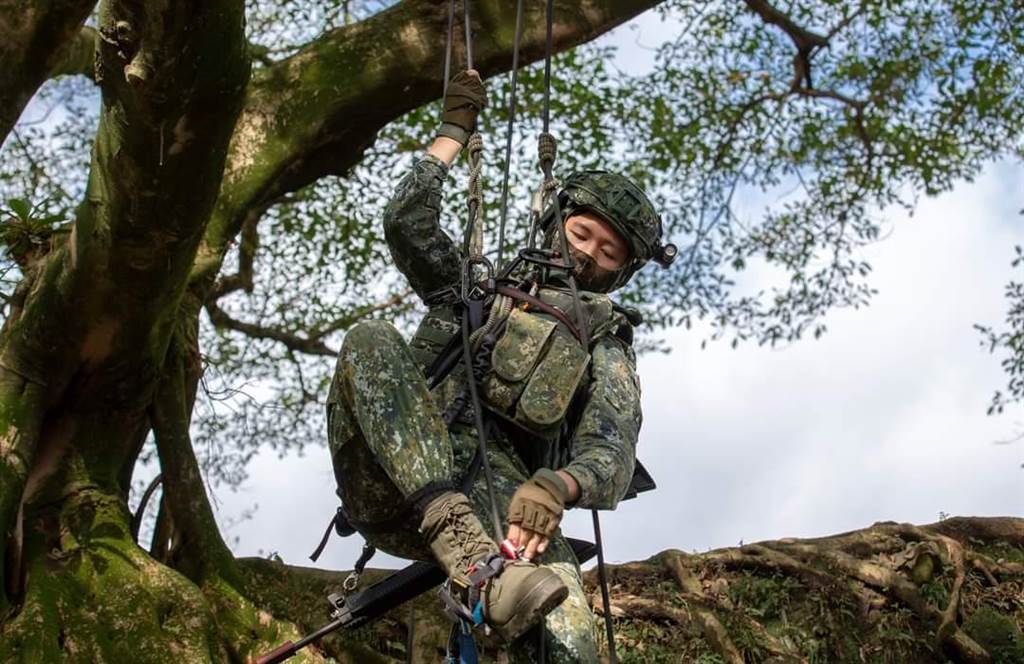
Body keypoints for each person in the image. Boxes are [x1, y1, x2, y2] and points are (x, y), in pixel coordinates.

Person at [326, 70, 673, 662]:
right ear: (555, 223)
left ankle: (485, 571)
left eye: (607, 252)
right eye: (581, 233)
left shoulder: (602, 339)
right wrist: (452, 134)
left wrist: (557, 485)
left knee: (570, 632)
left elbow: (611, 452)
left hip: (507, 514)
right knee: (371, 339)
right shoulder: (473, 288)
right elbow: (406, 224)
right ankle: (462, 548)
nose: (588, 253)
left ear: (620, 272)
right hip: (391, 483)